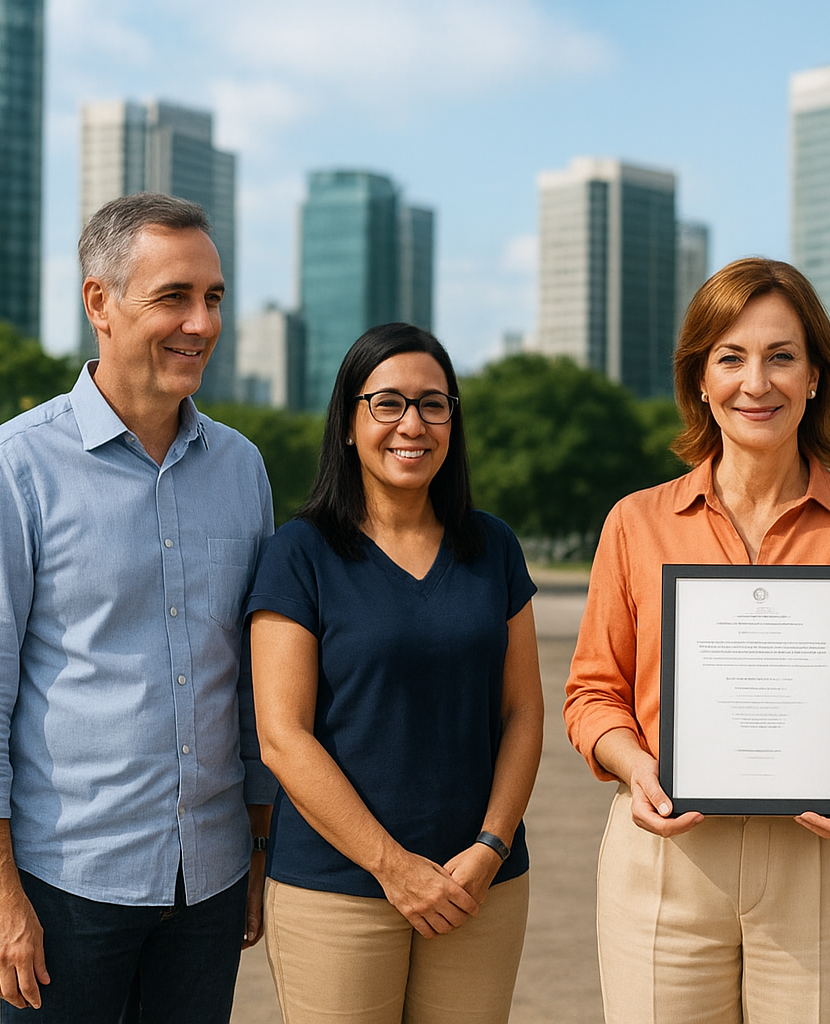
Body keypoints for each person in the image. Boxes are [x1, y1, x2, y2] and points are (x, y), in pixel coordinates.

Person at [563, 256, 830, 1024]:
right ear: (700, 380)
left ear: (815, 377)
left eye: (781, 357)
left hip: (827, 861)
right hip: (667, 856)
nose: (755, 383)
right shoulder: (635, 523)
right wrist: (633, 766)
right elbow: (592, 694)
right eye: (730, 358)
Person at [0, 192, 274, 1021]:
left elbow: (254, 687)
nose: (201, 323)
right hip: (64, 886)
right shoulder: (16, 469)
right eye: (174, 297)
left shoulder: (243, 470)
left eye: (214, 298)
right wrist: (1, 896)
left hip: (213, 879)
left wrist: (256, 853)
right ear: (99, 303)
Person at [247, 323, 543, 1024]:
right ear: (350, 423)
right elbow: (282, 737)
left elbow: (524, 714)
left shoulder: (492, 546)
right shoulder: (300, 554)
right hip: (337, 890)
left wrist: (490, 847)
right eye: (388, 403)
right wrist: (394, 866)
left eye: (433, 404)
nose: (413, 424)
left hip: (481, 886)